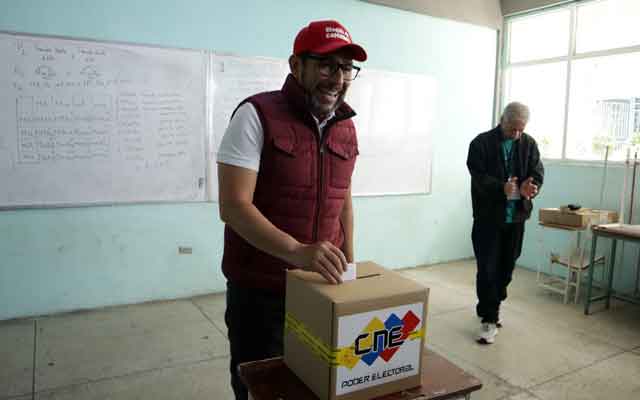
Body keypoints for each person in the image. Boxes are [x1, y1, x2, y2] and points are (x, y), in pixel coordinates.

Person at [216, 20, 367, 399]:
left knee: (316, 383)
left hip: (320, 288)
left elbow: (342, 195)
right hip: (260, 289)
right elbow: (234, 206)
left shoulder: (345, 126)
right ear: (295, 65)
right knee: (262, 387)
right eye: (326, 65)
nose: (337, 78)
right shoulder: (256, 114)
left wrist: (349, 263)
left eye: (346, 67)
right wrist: (299, 252)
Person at [466, 101, 544, 345]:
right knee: (488, 268)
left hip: (516, 218)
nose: (517, 134)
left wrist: (532, 186)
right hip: (488, 218)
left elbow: (537, 171)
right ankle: (490, 318)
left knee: (506, 269)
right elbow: (477, 176)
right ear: (503, 120)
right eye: (513, 129)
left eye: (521, 129)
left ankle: (490, 304)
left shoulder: (529, 144)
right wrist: (500, 187)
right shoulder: (480, 143)